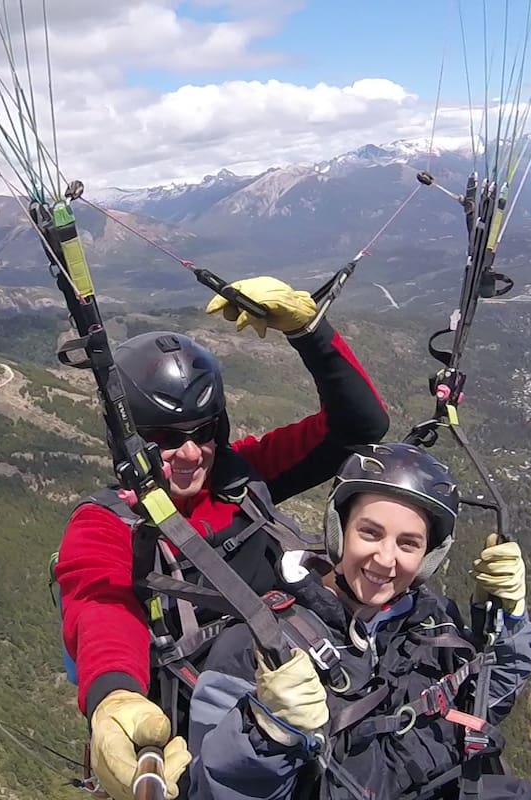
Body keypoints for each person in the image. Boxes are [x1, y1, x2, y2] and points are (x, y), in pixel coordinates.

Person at [53, 276, 390, 800]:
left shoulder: (240, 477)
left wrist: (311, 333)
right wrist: (114, 697)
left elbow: (358, 426)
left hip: (313, 706)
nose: (190, 455)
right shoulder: (108, 523)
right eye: (165, 439)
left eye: (203, 431)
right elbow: (99, 604)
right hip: (216, 754)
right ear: (129, 437)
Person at [186, 442, 531, 800]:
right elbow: (211, 789)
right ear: (339, 530)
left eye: (408, 544)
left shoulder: (431, 624)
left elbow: (487, 700)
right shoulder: (258, 644)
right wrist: (264, 734)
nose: (385, 559)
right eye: (370, 532)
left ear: (429, 556)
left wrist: (507, 621)